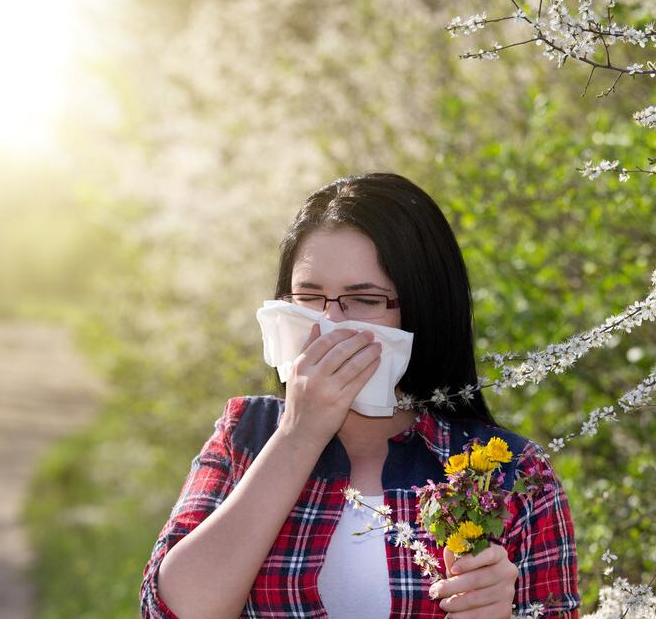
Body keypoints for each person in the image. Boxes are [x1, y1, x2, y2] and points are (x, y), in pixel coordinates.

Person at [139, 173, 581, 618]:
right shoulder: (246, 435)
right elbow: (169, 610)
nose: (330, 322)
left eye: (364, 299)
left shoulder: (510, 473)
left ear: (423, 308)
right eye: (309, 297)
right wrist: (299, 432)